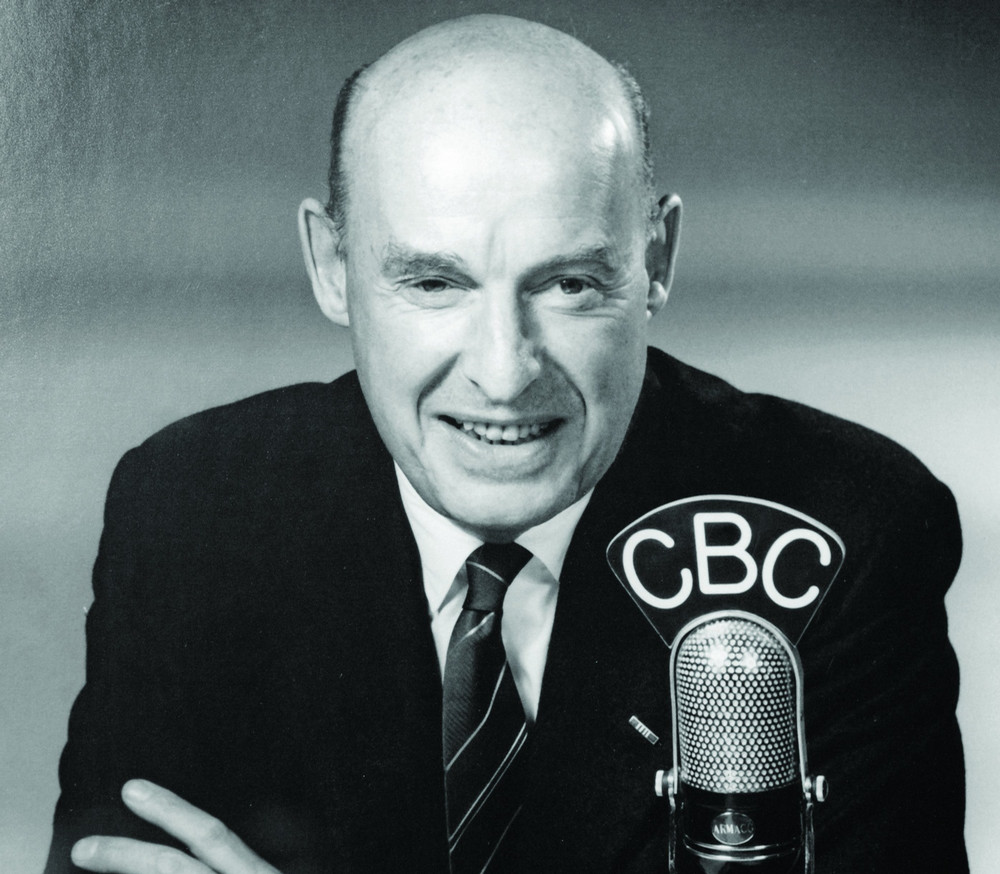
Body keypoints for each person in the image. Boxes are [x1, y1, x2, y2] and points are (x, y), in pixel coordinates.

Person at [45, 14, 967, 874]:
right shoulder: (188, 513)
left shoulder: (850, 527)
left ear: (655, 262)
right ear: (331, 268)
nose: (504, 370)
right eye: (436, 282)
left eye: (567, 282)